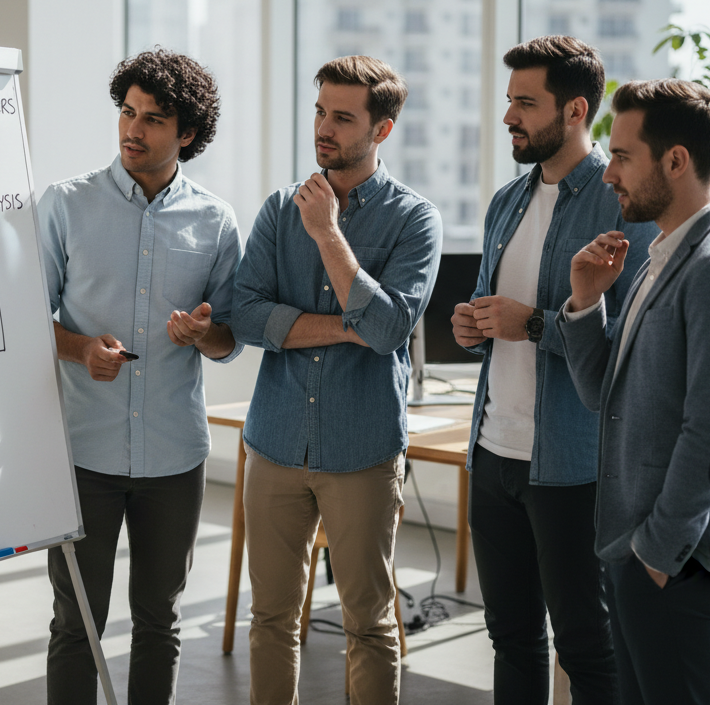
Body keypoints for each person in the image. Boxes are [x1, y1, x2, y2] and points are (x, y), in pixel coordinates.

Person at [557, 79, 710, 704]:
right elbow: (607, 394)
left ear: (675, 160)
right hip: (641, 553)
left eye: (623, 157)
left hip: (678, 561)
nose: (609, 176)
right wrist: (583, 303)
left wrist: (657, 555)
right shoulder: (663, 256)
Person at [450, 36, 656, 704]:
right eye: (509, 100)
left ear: (573, 111)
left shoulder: (620, 205)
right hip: (493, 453)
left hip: (572, 468)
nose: (509, 115)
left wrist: (532, 323)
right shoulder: (505, 203)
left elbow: (631, 346)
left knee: (587, 647)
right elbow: (494, 314)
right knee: (509, 637)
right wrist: (474, 328)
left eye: (525, 103)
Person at [232, 55, 442, 705]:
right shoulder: (275, 208)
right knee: (270, 620)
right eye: (320, 111)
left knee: (369, 624)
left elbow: (386, 331)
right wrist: (344, 325)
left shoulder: (415, 221)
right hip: (274, 445)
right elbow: (245, 313)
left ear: (381, 130)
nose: (324, 128)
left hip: (362, 452)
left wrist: (326, 235)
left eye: (342, 117)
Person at [38, 49, 241, 705]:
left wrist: (202, 332)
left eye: (154, 119)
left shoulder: (215, 221)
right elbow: (25, 322)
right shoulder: (64, 205)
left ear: (186, 133)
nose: (133, 128)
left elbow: (229, 339)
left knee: (161, 621)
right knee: (77, 624)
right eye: (127, 112)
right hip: (84, 454)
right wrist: (78, 350)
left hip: (173, 457)